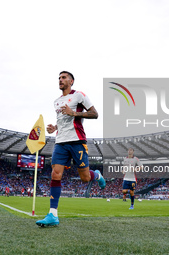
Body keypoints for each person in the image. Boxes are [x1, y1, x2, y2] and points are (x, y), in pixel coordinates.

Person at [36, 71, 106, 227]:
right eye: (59, 78)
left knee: (85, 178)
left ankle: (97, 175)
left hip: (77, 141)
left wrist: (74, 112)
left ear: (71, 81)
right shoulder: (56, 102)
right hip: (60, 141)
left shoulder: (79, 95)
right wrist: (55, 127)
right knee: (55, 174)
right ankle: (53, 215)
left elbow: (95, 114)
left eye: (64, 77)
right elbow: (63, 121)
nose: (60, 80)